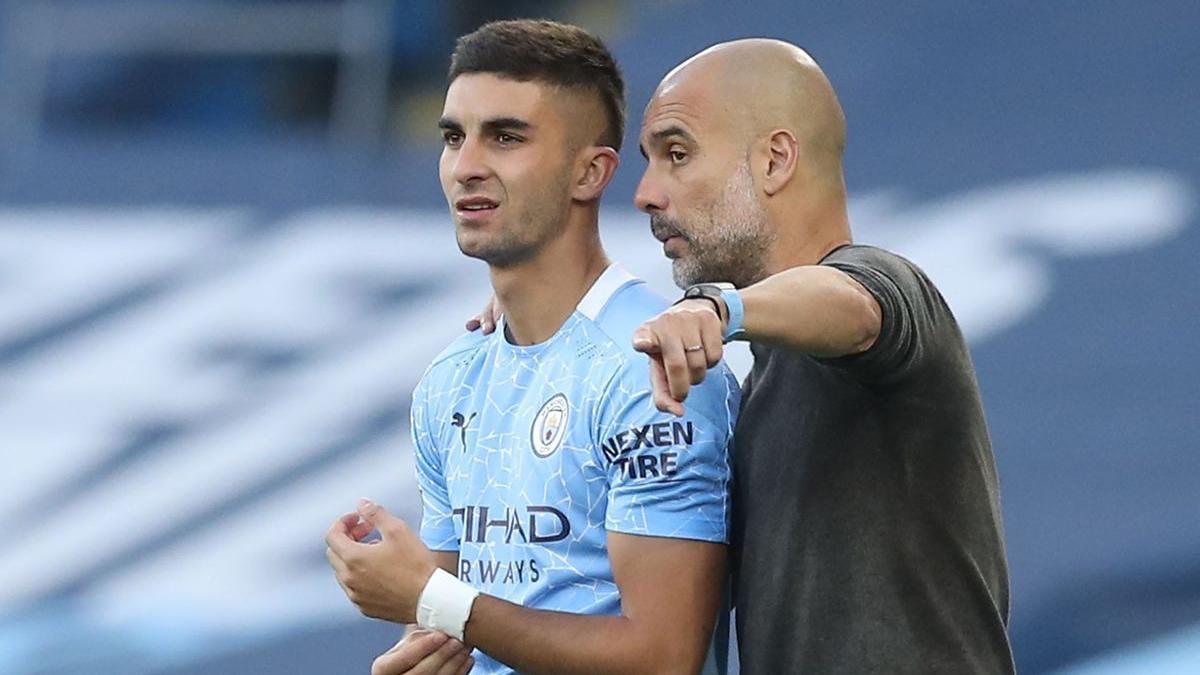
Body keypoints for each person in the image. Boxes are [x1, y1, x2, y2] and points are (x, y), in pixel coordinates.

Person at [324, 20, 740, 675]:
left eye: (506, 137)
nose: (467, 167)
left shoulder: (651, 369)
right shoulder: (452, 381)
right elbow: (443, 631)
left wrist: (434, 598)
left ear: (589, 172)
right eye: (454, 137)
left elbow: (664, 656)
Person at [626, 39, 1015, 673]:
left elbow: (855, 308)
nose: (645, 193)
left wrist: (719, 308)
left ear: (775, 161)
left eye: (677, 154)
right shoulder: (755, 396)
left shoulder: (885, 286)